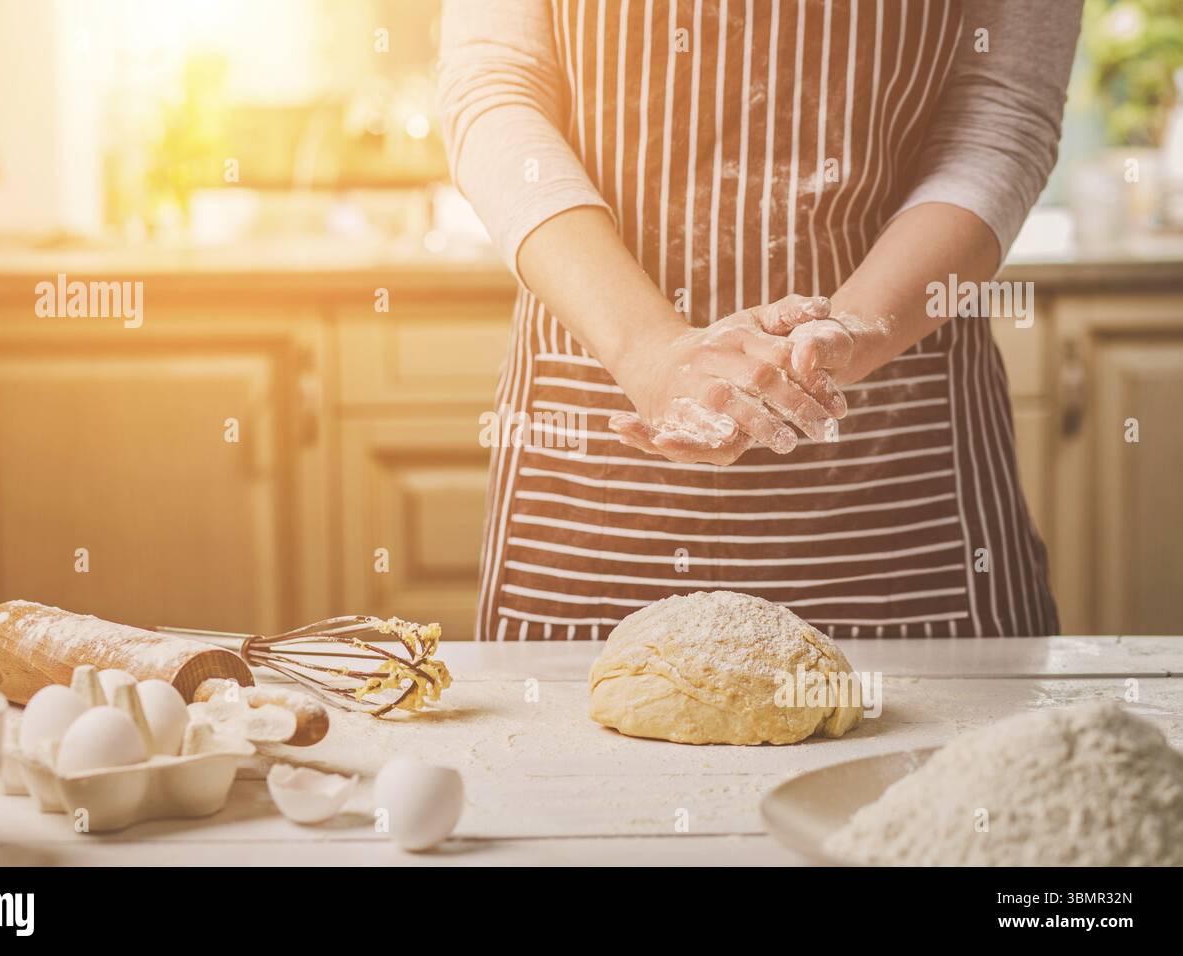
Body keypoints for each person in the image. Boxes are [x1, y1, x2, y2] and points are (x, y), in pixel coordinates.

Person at [437, 0, 1082, 640]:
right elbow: (495, 87)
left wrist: (860, 325)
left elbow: (1000, 115)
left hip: (903, 474)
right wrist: (647, 350)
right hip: (597, 456)